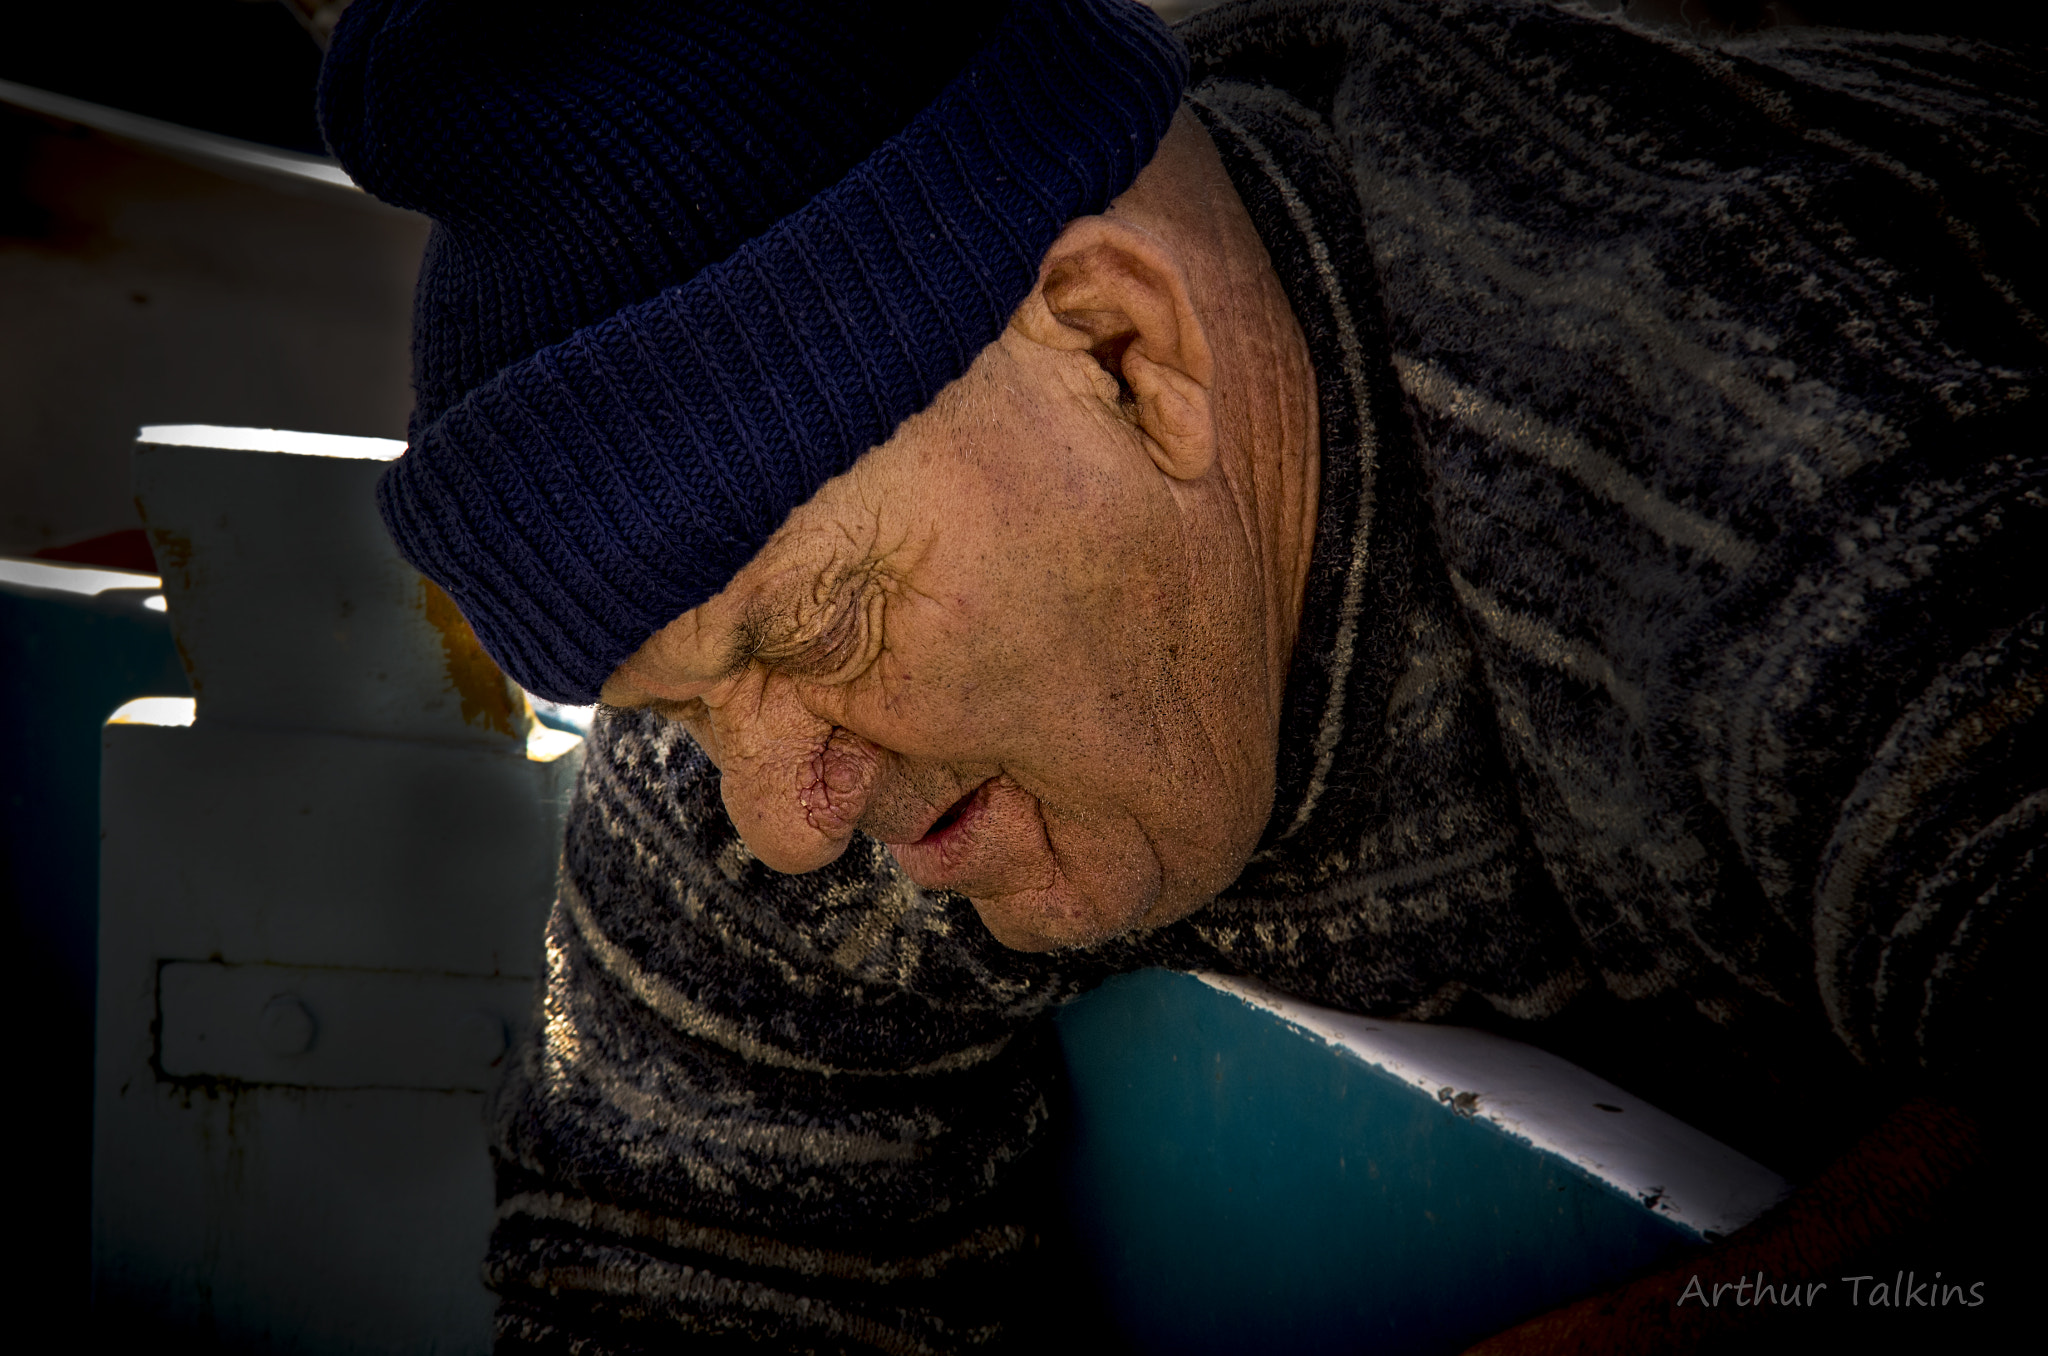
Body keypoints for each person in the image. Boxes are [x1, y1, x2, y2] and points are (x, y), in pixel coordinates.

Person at [317, 0, 2041, 1350]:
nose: (777, 826)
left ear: (1127, 350)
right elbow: (675, 1301)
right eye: (682, 714)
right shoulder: (759, 667)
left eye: (824, 635)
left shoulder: (1754, 434)